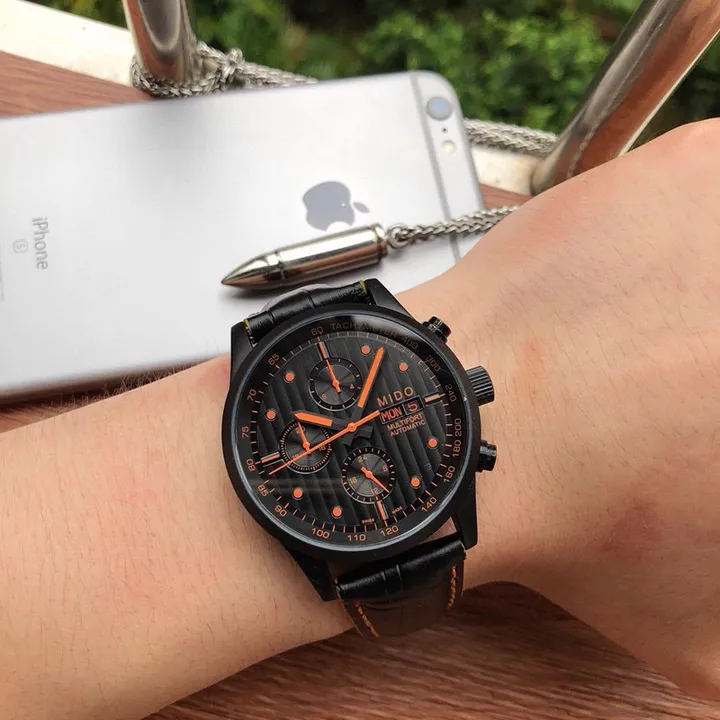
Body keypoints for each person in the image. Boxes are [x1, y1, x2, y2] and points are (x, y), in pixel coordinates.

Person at [2, 118, 720, 720]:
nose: (348, 430)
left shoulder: (431, 428)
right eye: (334, 426)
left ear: (467, 395)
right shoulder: (338, 416)